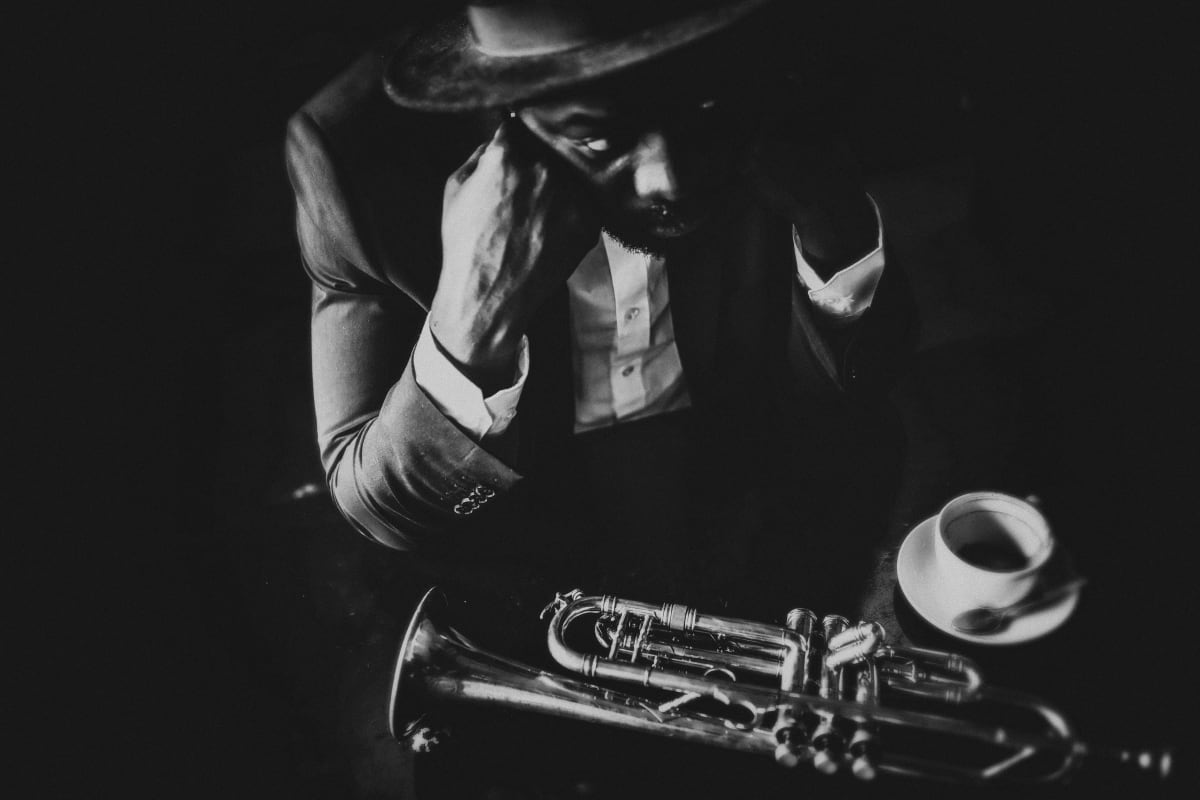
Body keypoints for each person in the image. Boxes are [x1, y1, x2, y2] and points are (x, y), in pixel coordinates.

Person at [286, 0, 917, 614]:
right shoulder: (359, 157)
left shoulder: (778, 71)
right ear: (506, 101)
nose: (664, 180)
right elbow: (380, 512)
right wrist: (468, 321)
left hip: (761, 497)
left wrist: (833, 222)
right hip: (524, 567)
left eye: (698, 114)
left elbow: (861, 384)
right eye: (596, 138)